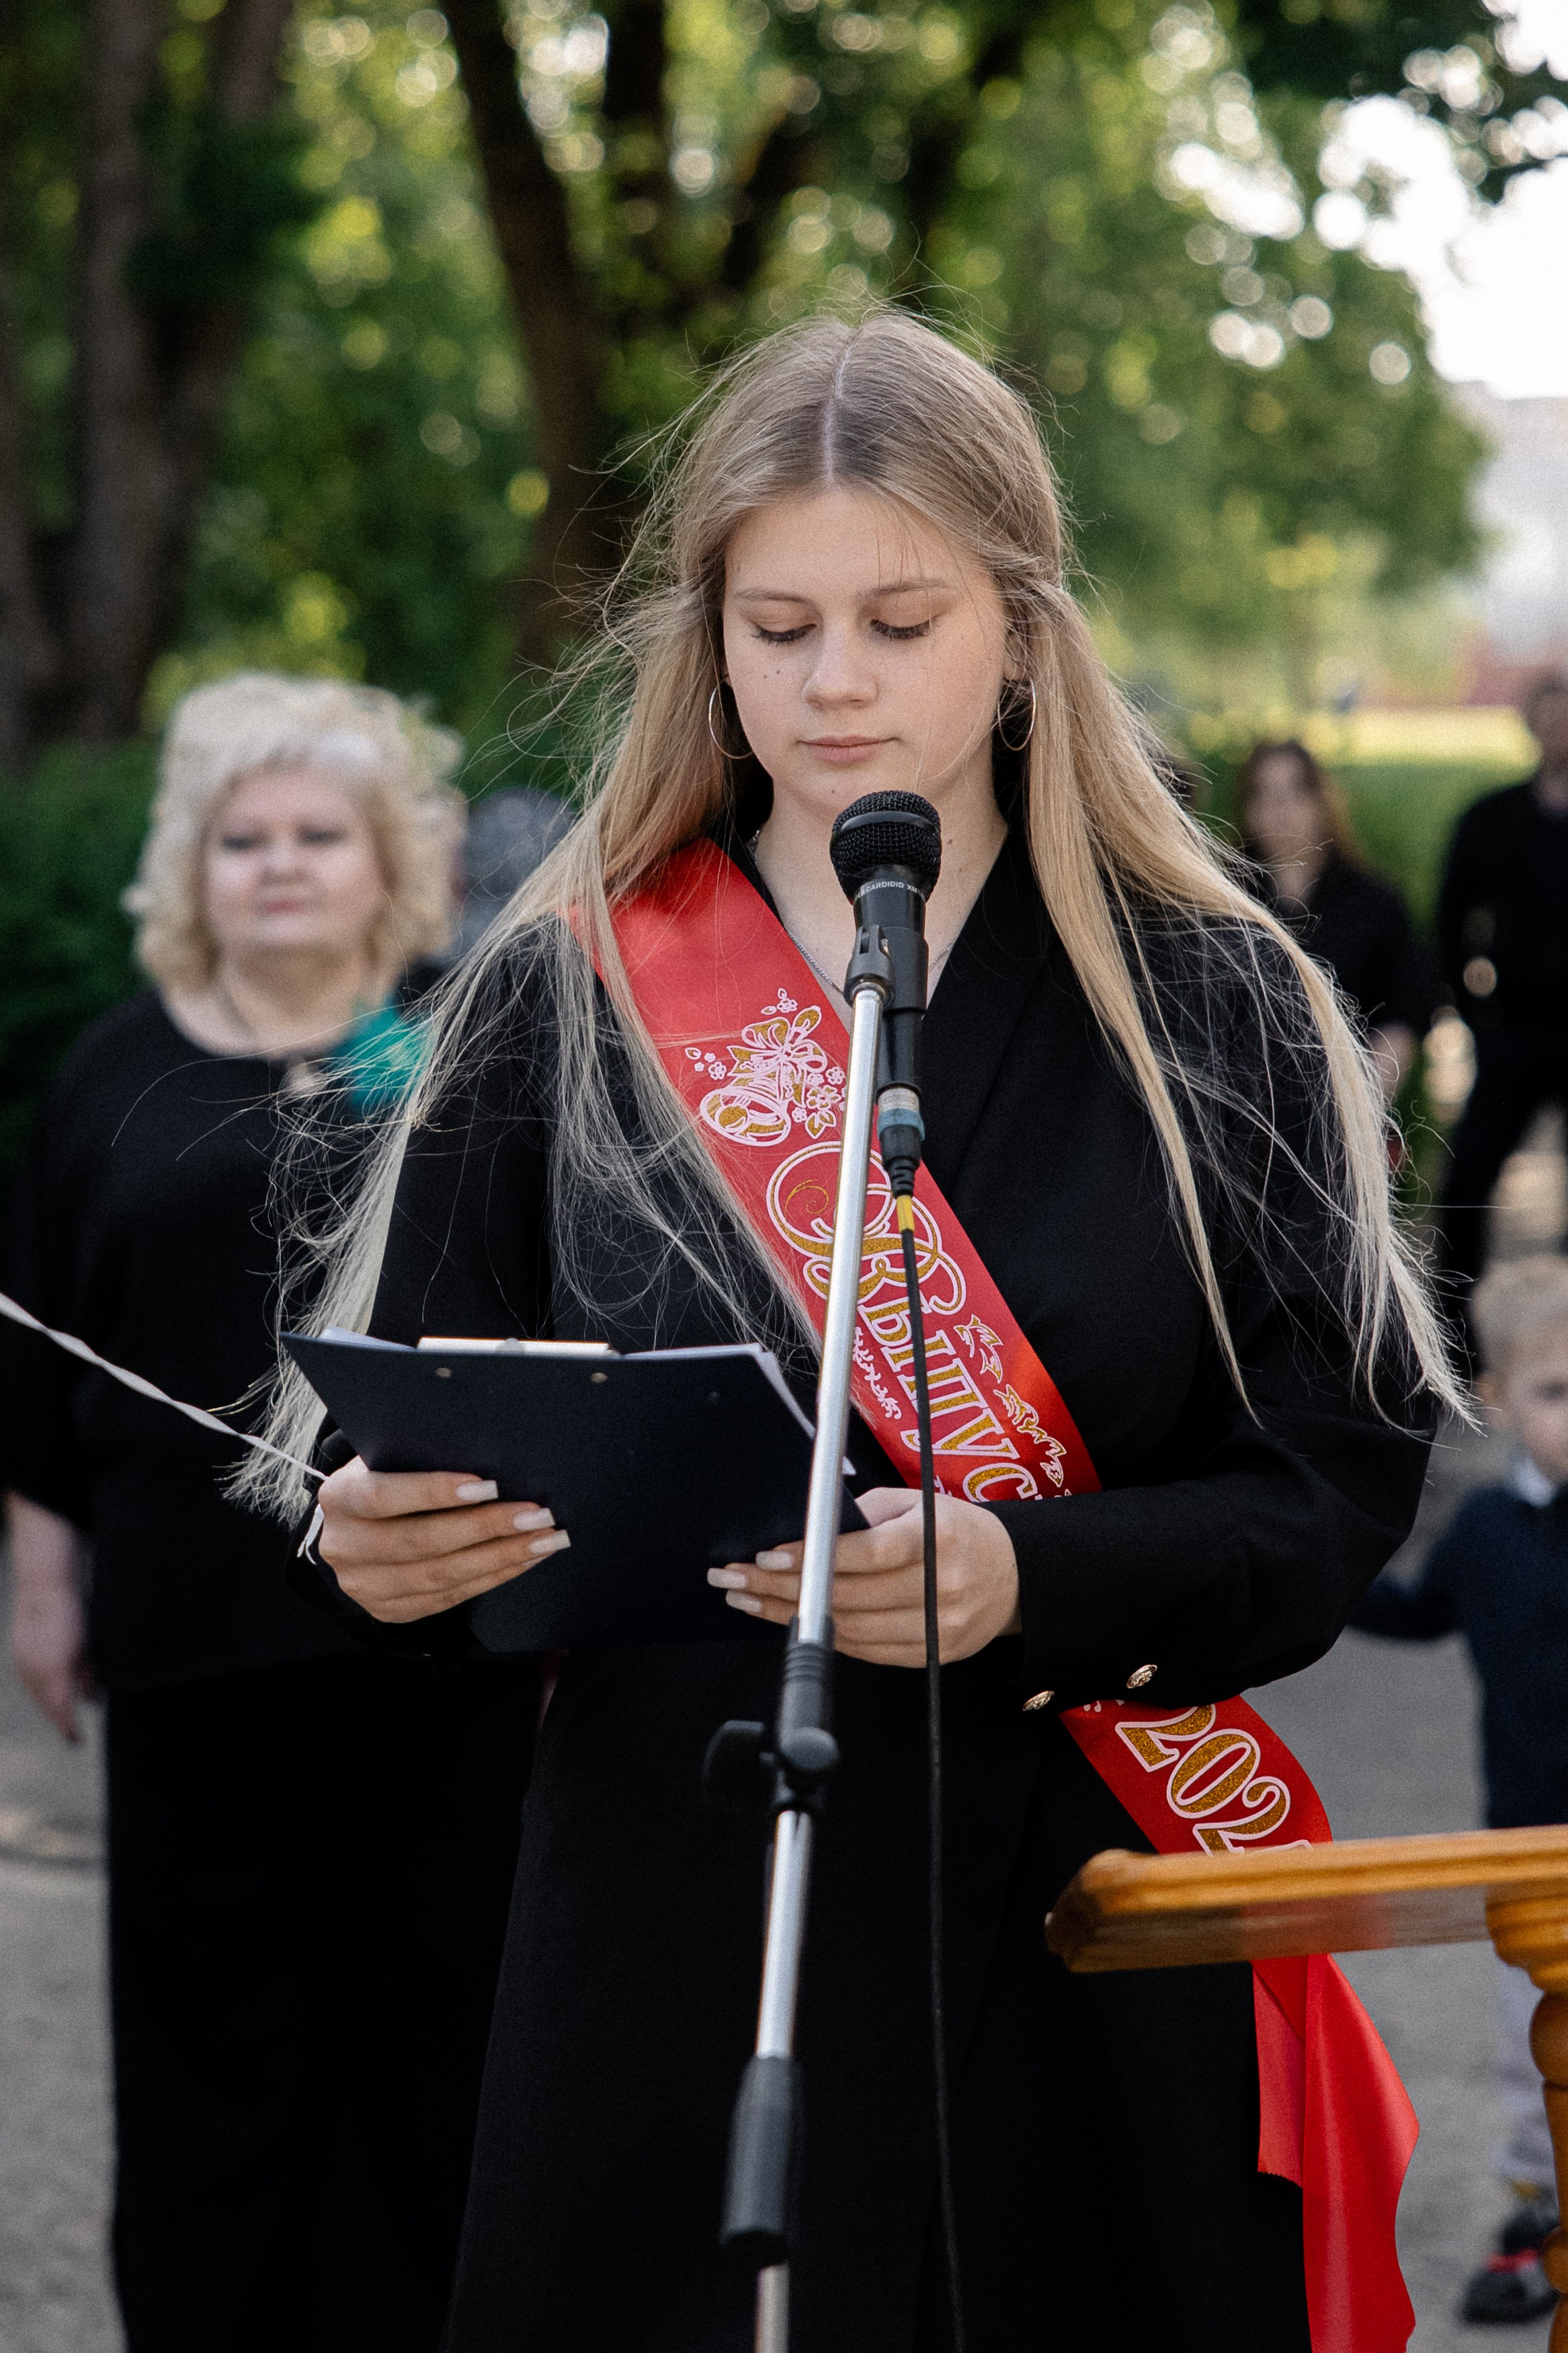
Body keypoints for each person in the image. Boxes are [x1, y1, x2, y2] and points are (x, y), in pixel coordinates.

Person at [263, 314, 1459, 2351]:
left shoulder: (1217, 1003)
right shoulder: (564, 987)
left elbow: (1329, 1481)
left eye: (900, 618)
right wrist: (370, 1535)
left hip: (1091, 1928)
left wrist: (1032, 1568)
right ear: (704, 639)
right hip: (675, 1920)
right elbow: (421, 1414)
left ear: (1019, 624)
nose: (833, 683)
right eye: (779, 621)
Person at [1, 672, 538, 2353]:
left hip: (442, 1648)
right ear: (193, 864)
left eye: (320, 833)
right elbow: (40, 1362)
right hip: (188, 1646)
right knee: (204, 2049)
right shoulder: (116, 1073)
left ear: (390, 860)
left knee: (424, 2035)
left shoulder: (460, 1051)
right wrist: (42, 1588)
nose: (283, 864)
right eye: (246, 837)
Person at [1351, 1252, 1568, 2325]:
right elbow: (1419, 1613)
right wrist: (1319, 1570)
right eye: (1554, 1391)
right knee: (1529, 2039)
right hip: (1523, 1840)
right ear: (1496, 1400)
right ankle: (1544, 2211)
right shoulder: (1482, 1534)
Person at [1436, 674, 1568, 1308]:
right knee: (1470, 1177)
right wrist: (1470, 1010)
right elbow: (1450, 916)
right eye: (1549, 715)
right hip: (1511, 1026)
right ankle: (1452, 1334)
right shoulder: (1491, 819)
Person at [1239, 737, 1433, 1102]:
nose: (1281, 809)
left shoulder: (1375, 902)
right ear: (1248, 808)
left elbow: (1402, 1017)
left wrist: (1365, 1104)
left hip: (1348, 1103)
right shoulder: (1226, 903)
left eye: (1296, 791)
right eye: (1266, 793)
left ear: (1322, 801)